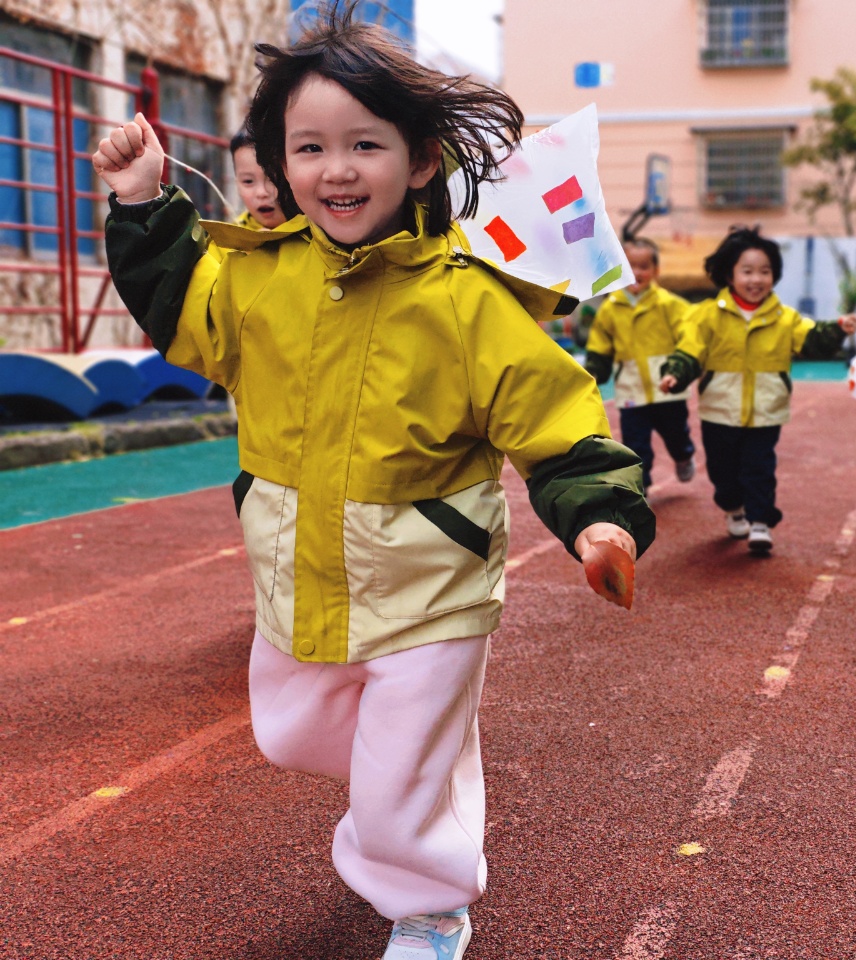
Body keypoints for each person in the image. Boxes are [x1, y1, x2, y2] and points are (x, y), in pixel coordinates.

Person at [91, 8, 654, 960]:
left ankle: (430, 908)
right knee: (290, 735)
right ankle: (418, 777)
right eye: (309, 148)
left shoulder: (466, 299)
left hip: (431, 588)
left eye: (365, 144)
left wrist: (601, 519)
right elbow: (180, 310)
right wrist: (144, 201)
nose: (336, 169)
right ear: (279, 165)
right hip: (302, 579)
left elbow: (553, 417)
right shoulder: (260, 277)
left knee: (394, 786)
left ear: (421, 159)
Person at [659, 226, 856, 554]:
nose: (756, 279)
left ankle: (760, 521)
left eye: (765, 271)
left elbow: (811, 339)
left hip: (766, 411)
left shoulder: (785, 318)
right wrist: (675, 374)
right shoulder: (706, 316)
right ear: (730, 274)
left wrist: (837, 330)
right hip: (719, 411)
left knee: (759, 469)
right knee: (723, 473)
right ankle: (733, 508)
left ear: (774, 275)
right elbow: (690, 351)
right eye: (747, 271)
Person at [584, 237, 697, 491]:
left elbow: (690, 336)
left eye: (643, 267)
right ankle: (641, 486)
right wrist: (595, 370)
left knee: (676, 434)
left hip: (667, 388)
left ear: (656, 271)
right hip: (632, 391)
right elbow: (600, 344)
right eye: (628, 266)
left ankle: (683, 455)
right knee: (635, 444)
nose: (636, 273)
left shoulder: (669, 305)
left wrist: (680, 368)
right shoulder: (610, 309)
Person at [228, 128, 286, 229]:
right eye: (248, 181)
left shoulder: (315, 233)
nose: (261, 193)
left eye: (274, 179)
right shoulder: (228, 236)